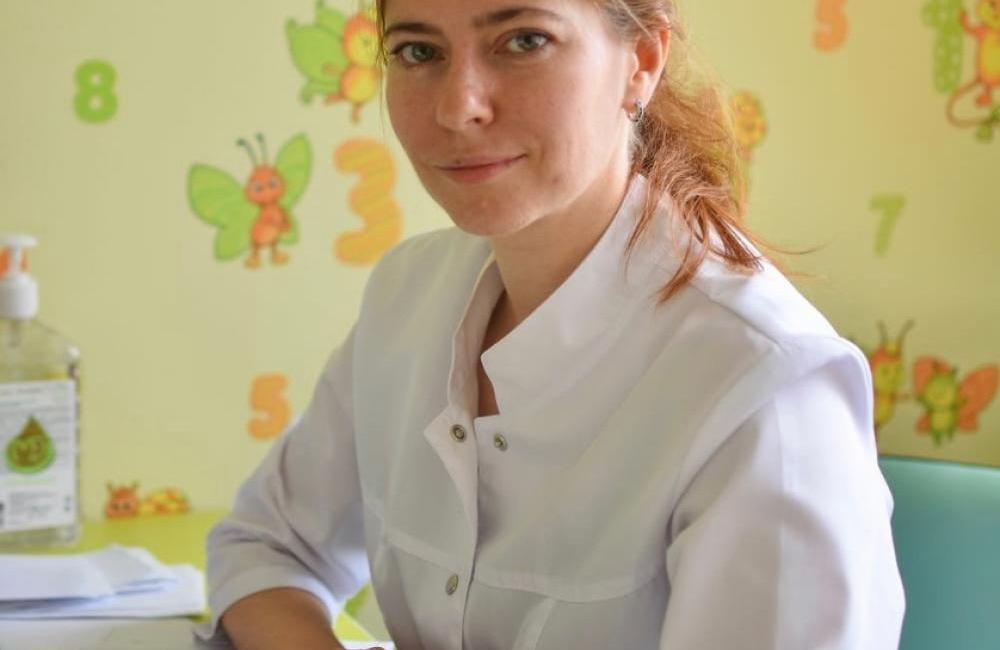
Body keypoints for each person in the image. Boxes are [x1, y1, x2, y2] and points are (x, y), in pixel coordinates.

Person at [202, 1, 906, 648]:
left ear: (642, 61)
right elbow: (266, 547)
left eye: (524, 41)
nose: (458, 107)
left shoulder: (765, 388)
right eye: (419, 52)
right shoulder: (406, 295)